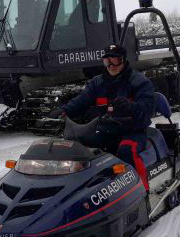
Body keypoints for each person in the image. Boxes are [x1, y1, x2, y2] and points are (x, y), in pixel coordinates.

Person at [49, 44, 156, 190]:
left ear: (123, 60)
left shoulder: (138, 81)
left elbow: (148, 107)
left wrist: (131, 107)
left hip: (132, 131)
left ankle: (141, 191)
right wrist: (63, 111)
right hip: (104, 129)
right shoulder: (97, 83)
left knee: (126, 150)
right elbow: (82, 101)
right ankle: (79, 192)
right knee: (78, 153)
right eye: (107, 61)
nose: (111, 65)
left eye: (115, 61)